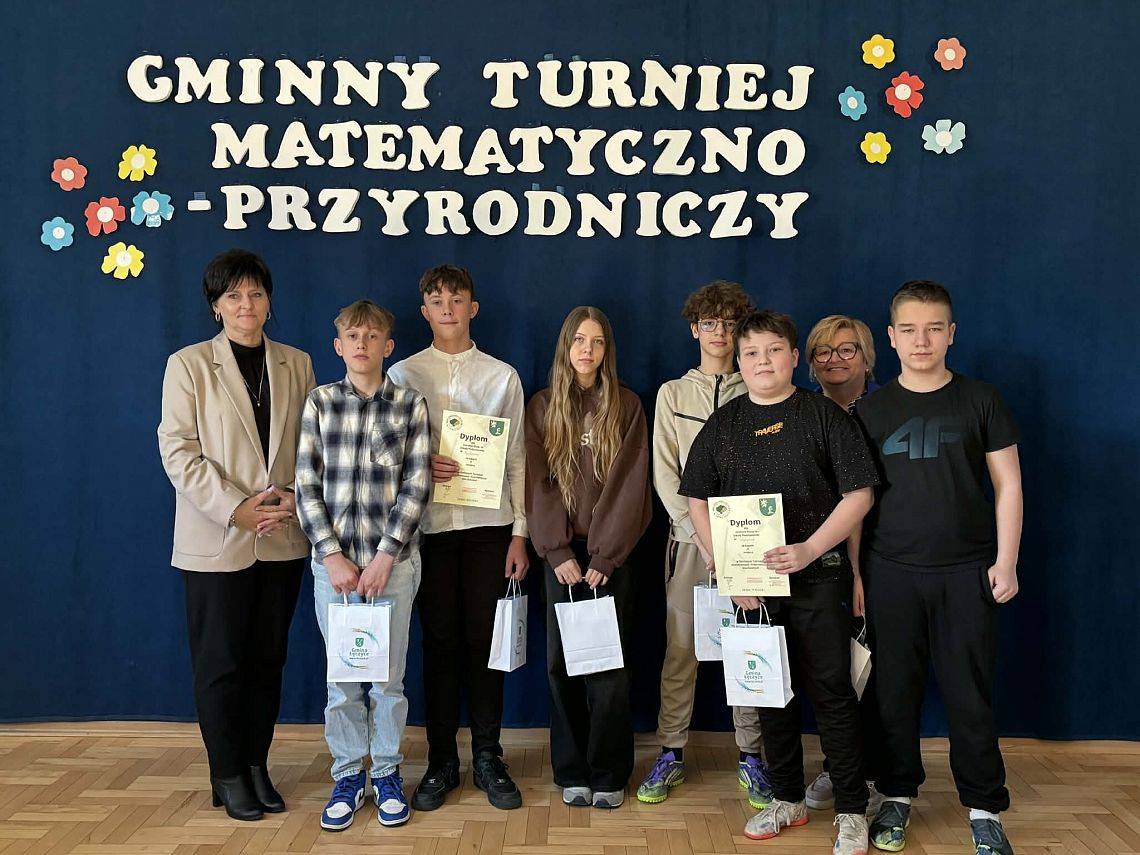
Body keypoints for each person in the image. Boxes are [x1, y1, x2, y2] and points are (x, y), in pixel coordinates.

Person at [680, 310, 879, 855]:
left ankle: (852, 809)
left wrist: (811, 548)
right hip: (753, 588)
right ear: (739, 362)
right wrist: (726, 569)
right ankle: (788, 797)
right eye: (750, 353)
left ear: (793, 357)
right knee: (770, 694)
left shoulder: (823, 416)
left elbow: (860, 494)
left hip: (820, 578)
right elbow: (697, 498)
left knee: (833, 693)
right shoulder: (724, 423)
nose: (762, 361)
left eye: (772, 350)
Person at [855, 282, 1021, 855]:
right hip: (890, 571)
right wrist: (856, 574)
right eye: (909, 329)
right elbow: (857, 502)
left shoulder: (981, 400)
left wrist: (1006, 560)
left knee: (970, 694)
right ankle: (896, 795)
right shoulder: (871, 410)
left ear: (951, 334)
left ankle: (984, 808)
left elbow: (1008, 483)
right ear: (891, 336)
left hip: (966, 571)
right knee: (893, 694)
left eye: (933, 328)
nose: (920, 340)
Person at [158, 249, 316, 821]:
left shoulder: (297, 363)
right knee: (221, 663)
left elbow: (313, 444)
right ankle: (226, 773)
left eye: (255, 294)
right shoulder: (189, 365)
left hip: (282, 535)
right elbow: (178, 452)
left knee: (267, 661)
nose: (245, 305)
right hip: (216, 539)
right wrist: (235, 509)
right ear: (216, 307)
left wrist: (295, 497)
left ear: (269, 301)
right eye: (233, 296)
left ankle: (255, 765)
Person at [386, 265, 529, 812]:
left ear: (473, 308)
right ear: (424, 311)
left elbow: (517, 460)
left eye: (457, 298)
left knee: (485, 646)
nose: (447, 307)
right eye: (436, 299)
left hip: (490, 529)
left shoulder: (502, 376)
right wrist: (420, 461)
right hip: (427, 531)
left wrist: (520, 533)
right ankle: (442, 759)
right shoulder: (401, 373)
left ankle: (489, 756)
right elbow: (385, 453)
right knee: (439, 645)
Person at [637, 280, 773, 809]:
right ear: (695, 329)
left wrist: (739, 542)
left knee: (749, 648)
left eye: (730, 323)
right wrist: (702, 536)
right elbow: (664, 473)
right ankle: (671, 750)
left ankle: (752, 755)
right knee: (681, 649)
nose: (720, 333)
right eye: (710, 323)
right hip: (690, 543)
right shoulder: (673, 394)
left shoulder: (759, 387)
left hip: (750, 544)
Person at [295, 299, 431, 831]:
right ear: (338, 345)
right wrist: (332, 555)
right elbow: (306, 484)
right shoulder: (320, 403)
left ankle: (389, 772)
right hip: (334, 571)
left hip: (391, 568)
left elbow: (416, 485)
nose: (361, 344)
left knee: (388, 680)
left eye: (372, 337)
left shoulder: (410, 405)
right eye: (352, 336)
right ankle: (349, 774)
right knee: (343, 680)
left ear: (387, 346)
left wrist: (384, 557)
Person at [525, 306, 652, 810]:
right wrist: (557, 550)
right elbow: (537, 482)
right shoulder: (542, 406)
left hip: (609, 558)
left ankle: (609, 772)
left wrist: (606, 555)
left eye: (597, 341)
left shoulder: (627, 405)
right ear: (566, 346)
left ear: (607, 350)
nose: (587, 350)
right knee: (562, 664)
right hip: (560, 555)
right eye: (579, 340)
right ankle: (572, 769)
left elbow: (630, 485)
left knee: (609, 666)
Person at [803, 315, 883, 816]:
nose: (835, 360)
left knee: (875, 670)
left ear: (868, 357)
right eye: (823, 352)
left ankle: (875, 775)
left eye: (847, 350)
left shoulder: (886, 411)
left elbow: (864, 495)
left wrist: (859, 570)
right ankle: (839, 766)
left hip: (883, 554)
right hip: (821, 560)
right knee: (834, 672)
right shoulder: (803, 414)